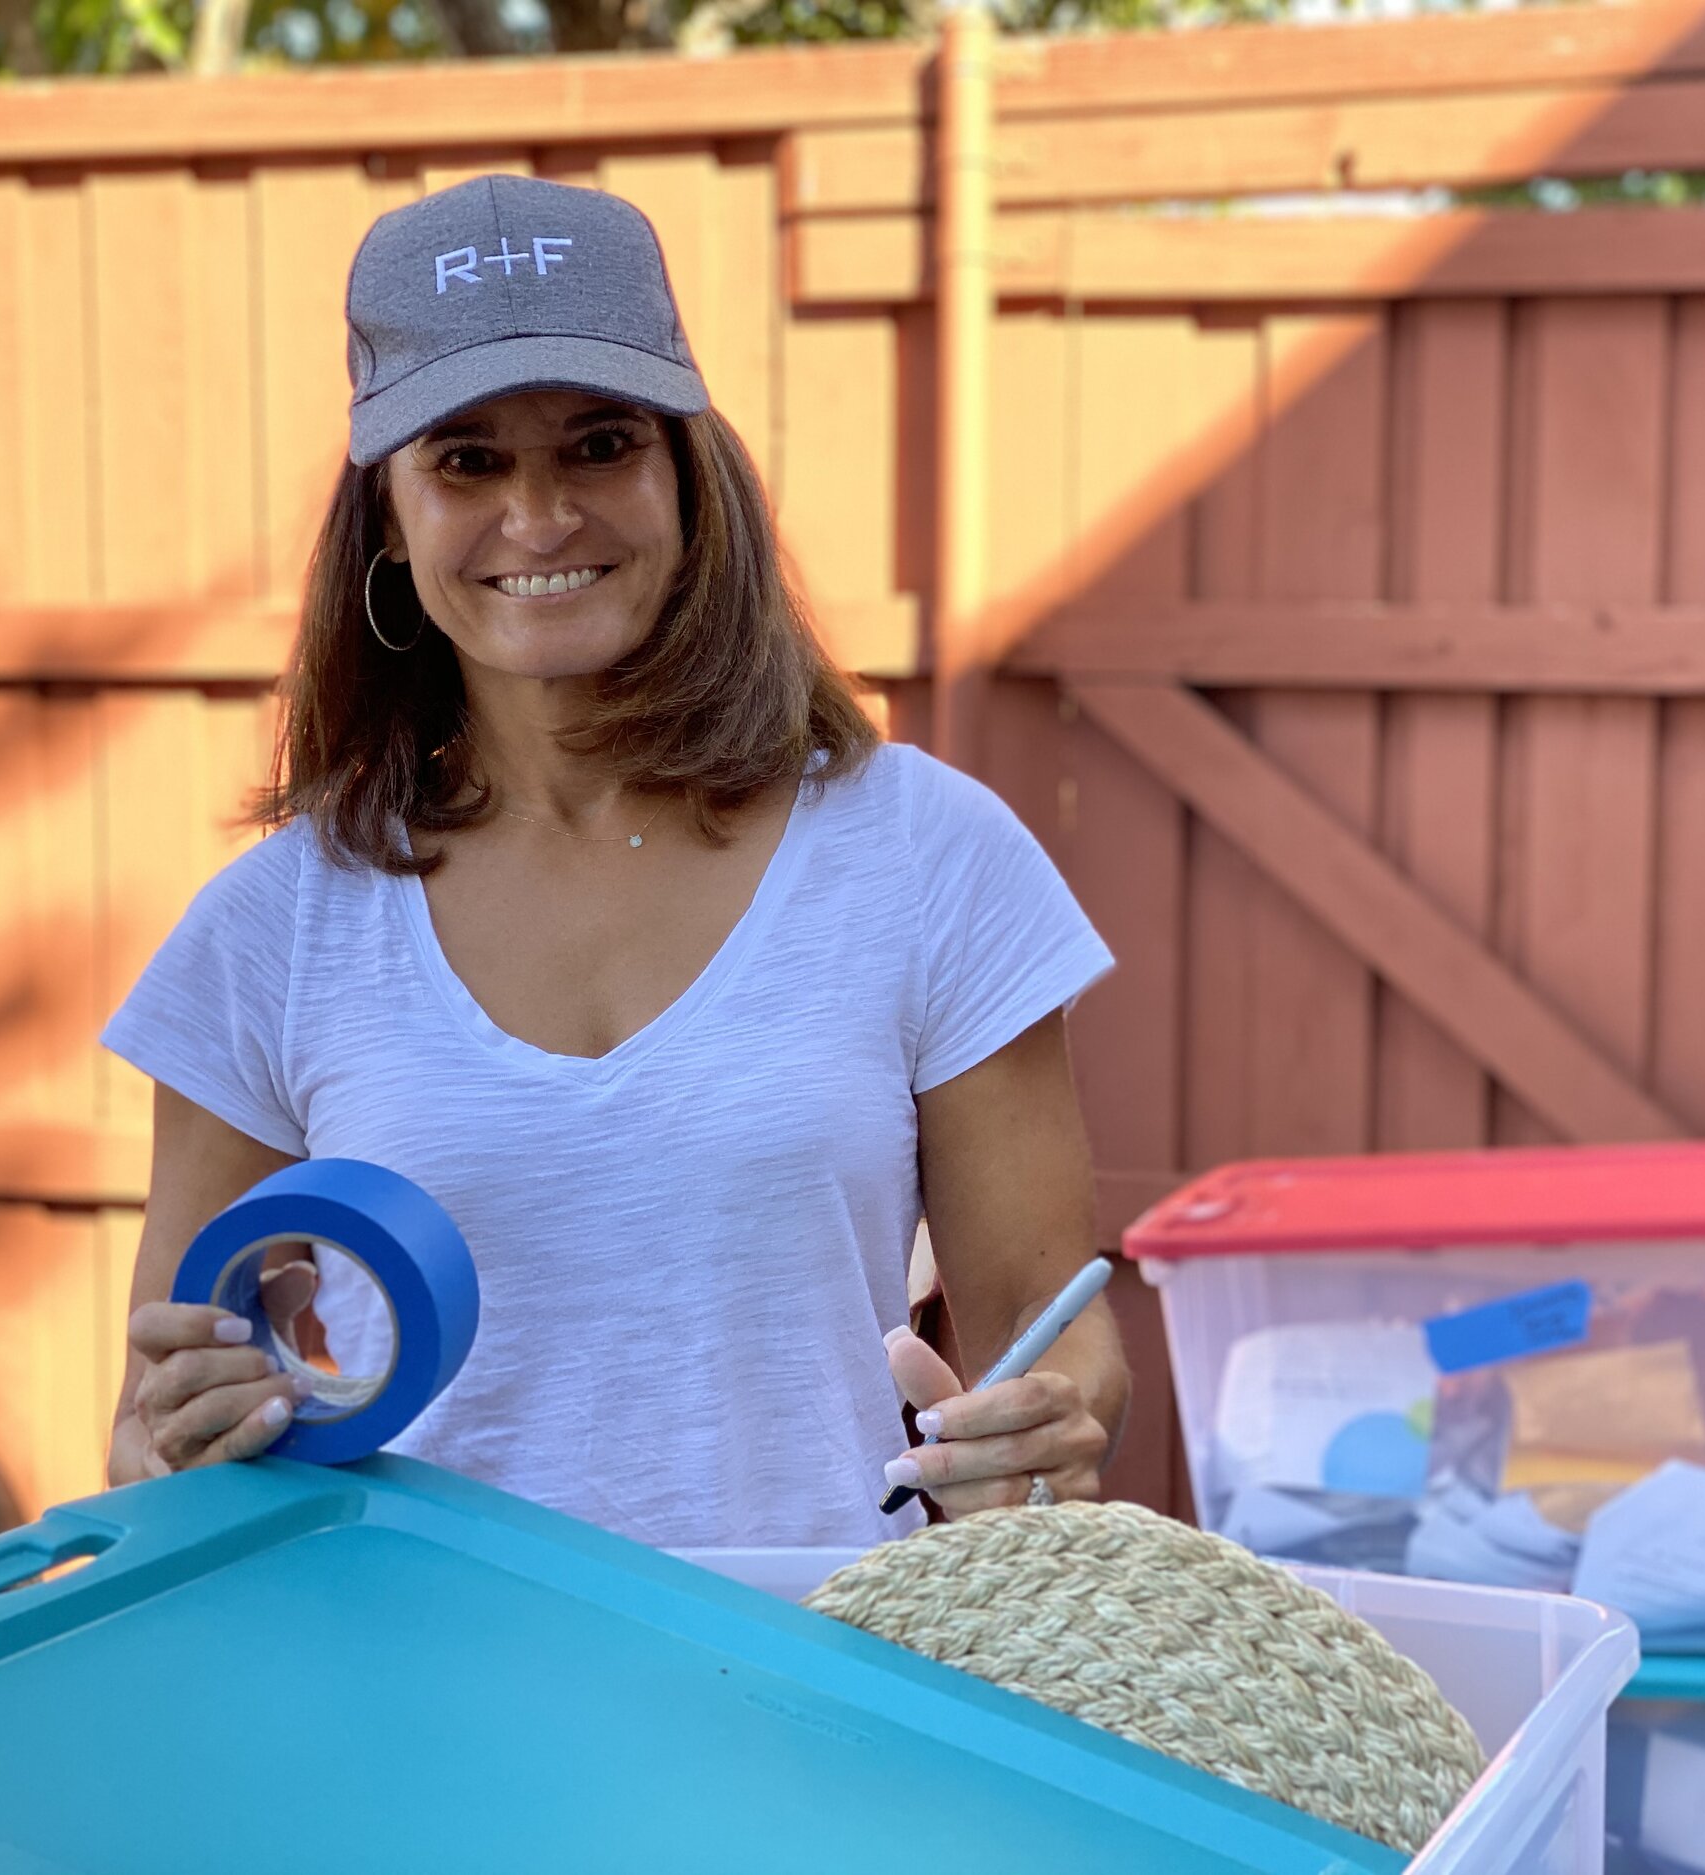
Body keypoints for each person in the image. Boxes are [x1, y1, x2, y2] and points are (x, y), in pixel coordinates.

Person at [100, 176, 1128, 1547]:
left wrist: (1042, 1434)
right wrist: (184, 1435)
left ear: (687, 479)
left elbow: (1059, 1344)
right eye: (466, 461)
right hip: (406, 1712)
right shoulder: (272, 931)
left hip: (820, 1696)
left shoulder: (928, 859)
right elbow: (143, 1435)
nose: (539, 518)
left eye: (598, 445)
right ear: (390, 520)